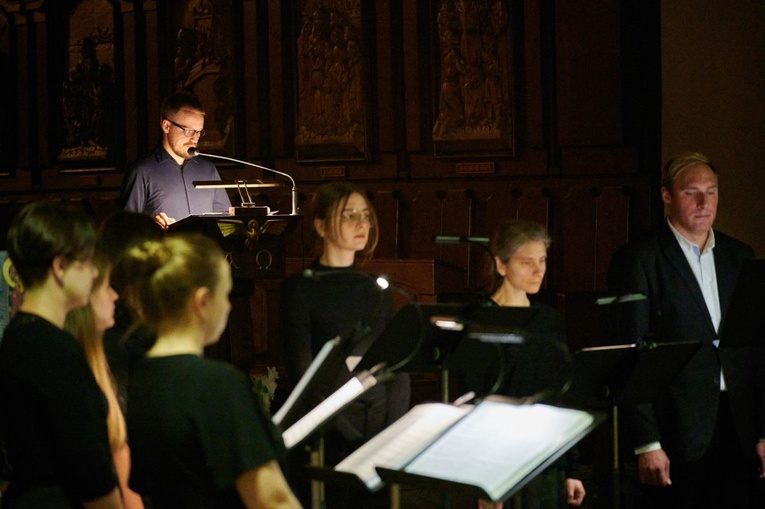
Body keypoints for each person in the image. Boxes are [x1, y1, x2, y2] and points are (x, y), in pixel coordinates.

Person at [607, 152, 764, 508]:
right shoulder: (640, 259)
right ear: (667, 195)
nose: (704, 202)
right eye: (692, 192)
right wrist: (647, 442)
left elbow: (756, 347)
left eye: (712, 191)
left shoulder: (739, 255)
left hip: (740, 426)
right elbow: (634, 353)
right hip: (676, 428)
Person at [116, 233, 300, 508]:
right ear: (202, 301)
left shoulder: (141, 376)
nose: (228, 306)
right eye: (226, 295)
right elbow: (272, 499)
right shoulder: (218, 384)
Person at [278, 181, 411, 509]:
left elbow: (396, 365)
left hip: (377, 434)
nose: (361, 224)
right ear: (320, 226)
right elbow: (304, 374)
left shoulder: (374, 288)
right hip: (330, 437)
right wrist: (353, 440)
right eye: (349, 215)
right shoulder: (300, 289)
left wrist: (390, 435)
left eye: (365, 215)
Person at [0, 201, 123, 508]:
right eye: (87, 262)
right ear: (60, 267)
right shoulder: (53, 348)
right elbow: (89, 468)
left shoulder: (18, 335)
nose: (94, 272)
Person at [455, 219, 585, 509]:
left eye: (542, 260)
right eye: (527, 262)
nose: (538, 271)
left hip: (547, 459)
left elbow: (562, 395)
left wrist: (572, 469)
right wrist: (484, 480)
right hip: (499, 462)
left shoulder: (549, 319)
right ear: (501, 265)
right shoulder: (479, 319)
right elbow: (472, 400)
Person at [65, 252, 144, 509]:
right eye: (107, 287)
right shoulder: (77, 372)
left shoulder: (99, 358)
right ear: (86, 298)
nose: (115, 295)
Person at [118, 90, 231, 228]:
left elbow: (227, 223)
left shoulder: (208, 170)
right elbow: (125, 230)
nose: (194, 139)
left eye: (199, 132)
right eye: (188, 131)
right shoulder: (142, 172)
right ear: (167, 126)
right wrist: (153, 228)